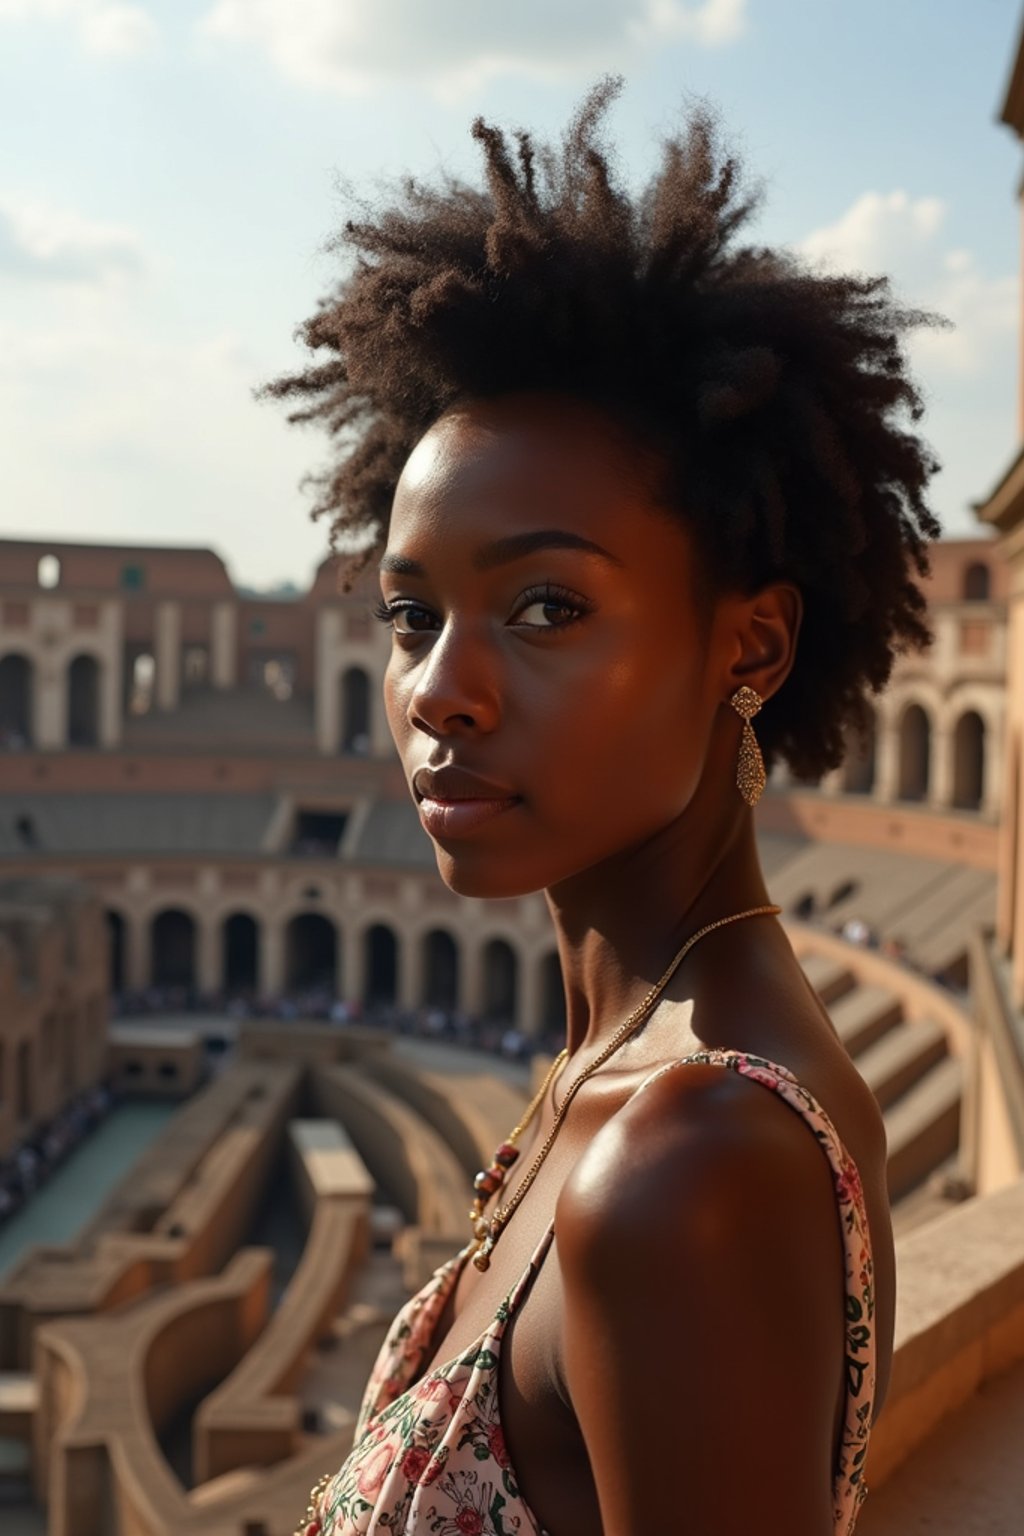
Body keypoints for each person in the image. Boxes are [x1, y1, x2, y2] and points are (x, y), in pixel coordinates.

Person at [270, 81, 939, 1536]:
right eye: (409, 616)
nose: (441, 692)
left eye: (547, 605)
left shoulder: (691, 1159)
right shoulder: (637, 1064)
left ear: (747, 647)